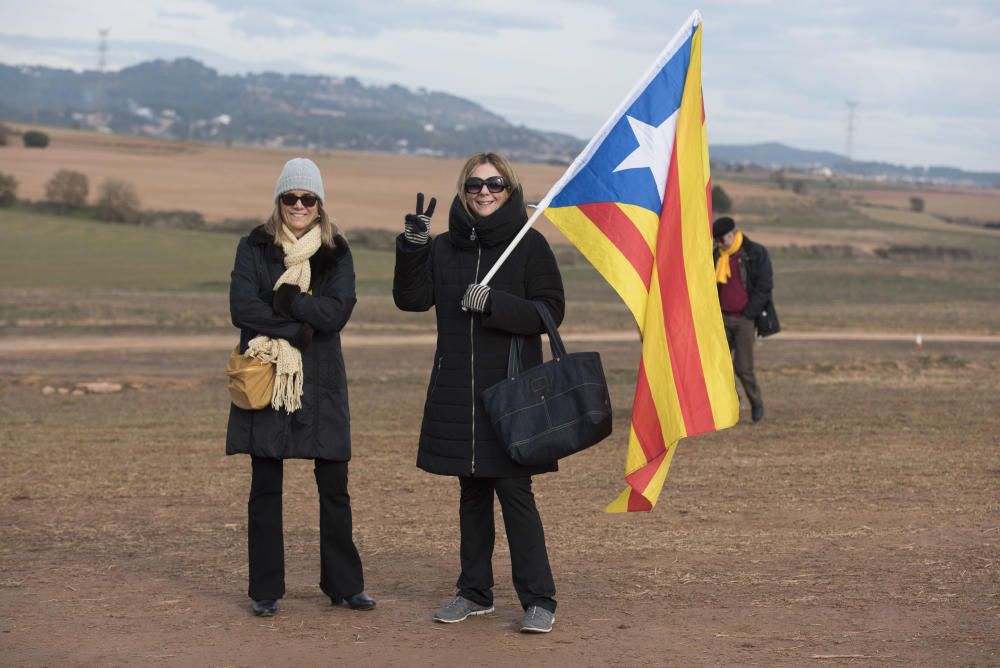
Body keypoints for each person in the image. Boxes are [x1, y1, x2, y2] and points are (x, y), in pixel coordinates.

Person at [393, 152, 565, 634]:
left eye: (494, 184)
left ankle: (540, 599)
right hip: (458, 393)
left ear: (510, 190)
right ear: (463, 190)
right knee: (471, 492)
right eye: (474, 185)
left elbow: (550, 312)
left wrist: (495, 303)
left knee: (514, 491)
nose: (484, 192)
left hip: (511, 393)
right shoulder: (445, 248)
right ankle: (474, 593)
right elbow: (411, 300)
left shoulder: (529, 247)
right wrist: (412, 247)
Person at [226, 157, 374, 617]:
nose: (298, 205)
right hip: (270, 376)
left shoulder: (337, 251)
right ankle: (265, 591)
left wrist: (289, 300)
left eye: (307, 198)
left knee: (334, 486)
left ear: (319, 204)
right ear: (279, 201)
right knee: (265, 487)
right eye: (290, 197)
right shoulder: (254, 246)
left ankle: (345, 586)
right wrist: (298, 326)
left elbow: (338, 313)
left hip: (322, 383)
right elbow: (242, 310)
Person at [712, 216, 773, 423]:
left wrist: (750, 313)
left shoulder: (755, 253)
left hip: (745, 319)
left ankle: (756, 402)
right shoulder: (716, 257)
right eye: (716, 241)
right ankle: (732, 402)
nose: (719, 244)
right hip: (721, 318)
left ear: (732, 234)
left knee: (743, 367)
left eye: (721, 240)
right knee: (717, 365)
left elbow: (764, 286)